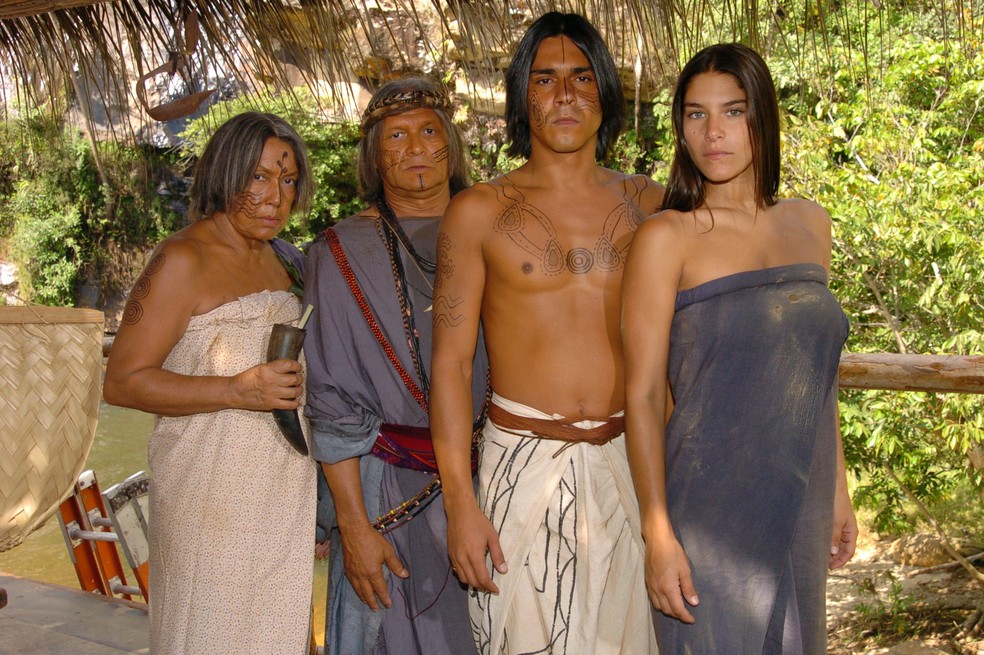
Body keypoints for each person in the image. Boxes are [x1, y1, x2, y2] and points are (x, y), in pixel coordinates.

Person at [430, 12, 665, 655]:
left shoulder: (653, 206)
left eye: (581, 78)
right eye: (544, 79)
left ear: (606, 91)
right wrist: (460, 504)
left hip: (632, 465)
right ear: (521, 95)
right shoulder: (477, 212)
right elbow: (450, 365)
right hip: (519, 466)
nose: (564, 96)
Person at [621, 43, 858, 653]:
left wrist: (838, 489)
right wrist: (657, 532)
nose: (713, 133)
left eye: (733, 111)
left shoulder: (810, 223)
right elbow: (642, 395)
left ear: (763, 118)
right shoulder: (666, 237)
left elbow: (819, 377)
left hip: (801, 495)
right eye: (696, 114)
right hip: (709, 512)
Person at [103, 111, 316, 654]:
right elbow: (122, 382)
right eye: (259, 176)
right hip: (209, 498)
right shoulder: (182, 260)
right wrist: (234, 391)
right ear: (225, 174)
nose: (275, 197)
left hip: (283, 492)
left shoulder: (285, 263)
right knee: (208, 634)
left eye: (288, 179)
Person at [303, 77, 489, 655]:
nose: (416, 148)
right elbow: (331, 407)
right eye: (397, 136)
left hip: (498, 482)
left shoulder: (502, 233)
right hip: (389, 499)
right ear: (374, 155)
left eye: (429, 131)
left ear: (450, 144)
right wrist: (354, 527)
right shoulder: (337, 252)